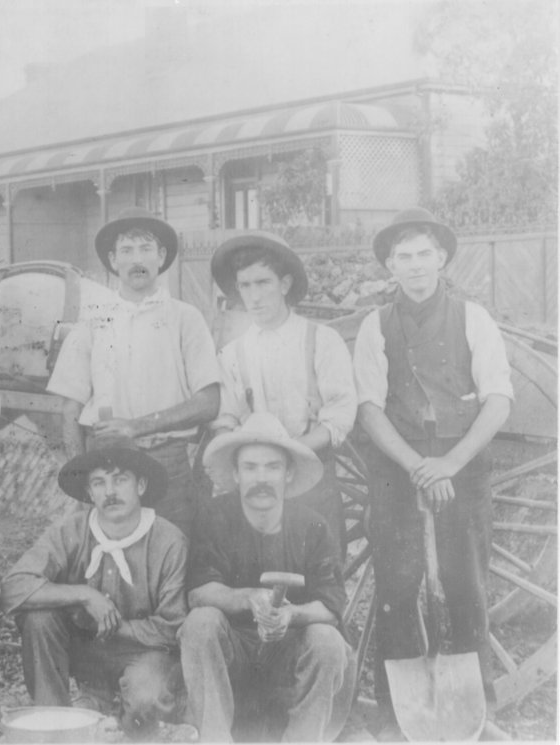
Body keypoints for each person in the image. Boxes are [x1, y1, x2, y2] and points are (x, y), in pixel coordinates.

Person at [353, 207, 513, 736]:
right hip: (398, 466)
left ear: (441, 259)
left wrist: (448, 462)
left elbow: (498, 400)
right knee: (398, 586)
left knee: (464, 583)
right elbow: (369, 408)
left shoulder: (474, 319)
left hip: (461, 463)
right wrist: (417, 465)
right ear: (390, 266)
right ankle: (399, 719)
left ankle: (475, 714)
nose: (416, 265)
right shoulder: (374, 326)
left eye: (425, 254)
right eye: (404, 257)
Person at [178, 413, 354, 742]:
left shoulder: (312, 526)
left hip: (290, 658)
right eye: (251, 467)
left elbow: (332, 606)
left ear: (288, 473)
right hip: (234, 656)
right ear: (235, 473)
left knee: (328, 640)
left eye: (272, 467)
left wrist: (291, 614)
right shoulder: (215, 517)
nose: (262, 478)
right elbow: (198, 593)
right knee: (200, 623)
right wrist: (249, 598)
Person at [47, 207, 221, 538]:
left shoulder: (186, 318)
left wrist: (137, 426)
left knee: (174, 550)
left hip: (168, 460)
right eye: (127, 250)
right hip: (110, 463)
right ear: (113, 260)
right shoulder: (93, 322)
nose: (136, 259)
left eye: (145, 249)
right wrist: (82, 476)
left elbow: (209, 401)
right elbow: (69, 408)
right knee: (112, 555)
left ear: (162, 256)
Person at [1, 438, 188, 739]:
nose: (110, 492)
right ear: (89, 492)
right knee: (39, 619)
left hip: (143, 653)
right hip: (83, 649)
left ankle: (123, 722)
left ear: (140, 485)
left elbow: (172, 627)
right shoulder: (71, 530)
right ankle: (54, 728)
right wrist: (85, 596)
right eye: (99, 483)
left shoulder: (169, 540)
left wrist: (114, 624)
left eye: (120, 480)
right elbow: (13, 587)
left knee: (146, 699)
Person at [209, 231, 356, 551]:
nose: (254, 297)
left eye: (263, 283)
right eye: (245, 286)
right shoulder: (233, 354)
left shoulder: (322, 341)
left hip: (312, 476)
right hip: (256, 483)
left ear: (285, 285)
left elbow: (339, 417)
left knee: (319, 573)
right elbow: (226, 416)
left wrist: (294, 453)